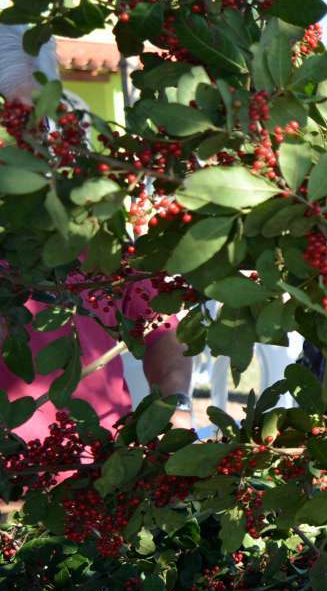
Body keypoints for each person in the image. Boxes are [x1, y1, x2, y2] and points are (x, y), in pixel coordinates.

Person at [0, 29, 193, 444]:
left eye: (39, 121)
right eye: (10, 125)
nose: (27, 142)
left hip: (97, 471)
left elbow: (160, 326)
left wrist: (175, 406)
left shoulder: (94, 225)